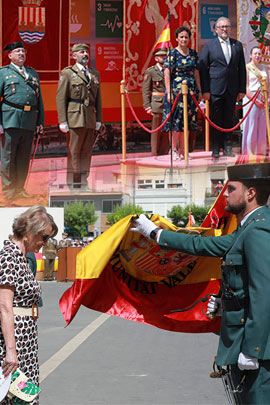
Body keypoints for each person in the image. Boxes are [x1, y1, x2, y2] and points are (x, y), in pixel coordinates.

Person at [131, 162, 270, 404]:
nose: (225, 193)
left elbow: (263, 293)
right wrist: (155, 233)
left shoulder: (257, 230)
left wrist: (253, 350)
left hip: (255, 349)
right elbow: (202, 246)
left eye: (231, 188)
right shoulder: (248, 227)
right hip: (241, 340)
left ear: (251, 193)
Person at [0, 206, 58, 404]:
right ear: (29, 232)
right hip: (13, 340)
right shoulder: (9, 257)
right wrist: (10, 350)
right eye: (44, 237)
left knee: (25, 397)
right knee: (17, 399)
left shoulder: (22, 259)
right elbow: (4, 306)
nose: (45, 242)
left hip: (26, 340)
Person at [0, 42, 44, 200]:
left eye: (23, 51)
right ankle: (8, 190)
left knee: (23, 158)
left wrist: (40, 122)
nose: (21, 53)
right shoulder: (3, 73)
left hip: (29, 121)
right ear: (10, 55)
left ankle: (19, 188)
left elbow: (39, 100)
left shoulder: (32, 73)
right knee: (8, 158)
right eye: (17, 51)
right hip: (10, 120)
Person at [56, 43, 102, 190]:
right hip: (74, 116)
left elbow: (98, 99)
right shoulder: (68, 73)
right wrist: (63, 120)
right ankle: (74, 183)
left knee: (86, 152)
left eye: (86, 52)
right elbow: (61, 97)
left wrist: (99, 119)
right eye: (81, 52)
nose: (85, 54)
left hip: (89, 117)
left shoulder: (94, 73)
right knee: (74, 151)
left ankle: (83, 182)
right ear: (74, 55)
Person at [199, 17, 246, 159]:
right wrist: (205, 90)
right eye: (222, 27)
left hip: (232, 89)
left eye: (227, 26)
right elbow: (203, 68)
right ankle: (215, 148)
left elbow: (241, 69)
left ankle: (228, 147)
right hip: (215, 89)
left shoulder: (237, 45)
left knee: (229, 120)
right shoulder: (209, 45)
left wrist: (242, 89)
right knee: (216, 119)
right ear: (216, 29)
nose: (225, 29)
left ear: (230, 28)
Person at [162, 26, 202, 160]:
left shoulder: (193, 53)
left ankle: (184, 150)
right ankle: (173, 149)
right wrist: (168, 92)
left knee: (188, 121)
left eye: (186, 37)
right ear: (177, 39)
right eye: (181, 37)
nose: (184, 39)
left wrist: (199, 90)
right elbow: (167, 72)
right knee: (176, 121)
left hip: (191, 92)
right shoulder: (172, 53)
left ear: (189, 38)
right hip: (176, 91)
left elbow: (196, 73)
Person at [242, 46, 268, 155]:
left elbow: (268, 84)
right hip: (251, 97)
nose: (257, 56)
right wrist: (254, 99)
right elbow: (246, 86)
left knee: (262, 125)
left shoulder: (264, 68)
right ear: (251, 55)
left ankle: (261, 150)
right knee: (251, 125)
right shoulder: (248, 68)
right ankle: (250, 151)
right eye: (255, 54)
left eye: (259, 54)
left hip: (263, 97)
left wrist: (268, 98)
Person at [142, 49, 169, 156]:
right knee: (156, 130)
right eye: (161, 56)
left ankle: (164, 151)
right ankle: (155, 153)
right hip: (157, 104)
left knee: (166, 130)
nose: (163, 58)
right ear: (156, 58)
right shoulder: (151, 71)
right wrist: (147, 106)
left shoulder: (170, 70)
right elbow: (145, 90)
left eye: (164, 56)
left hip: (168, 103)